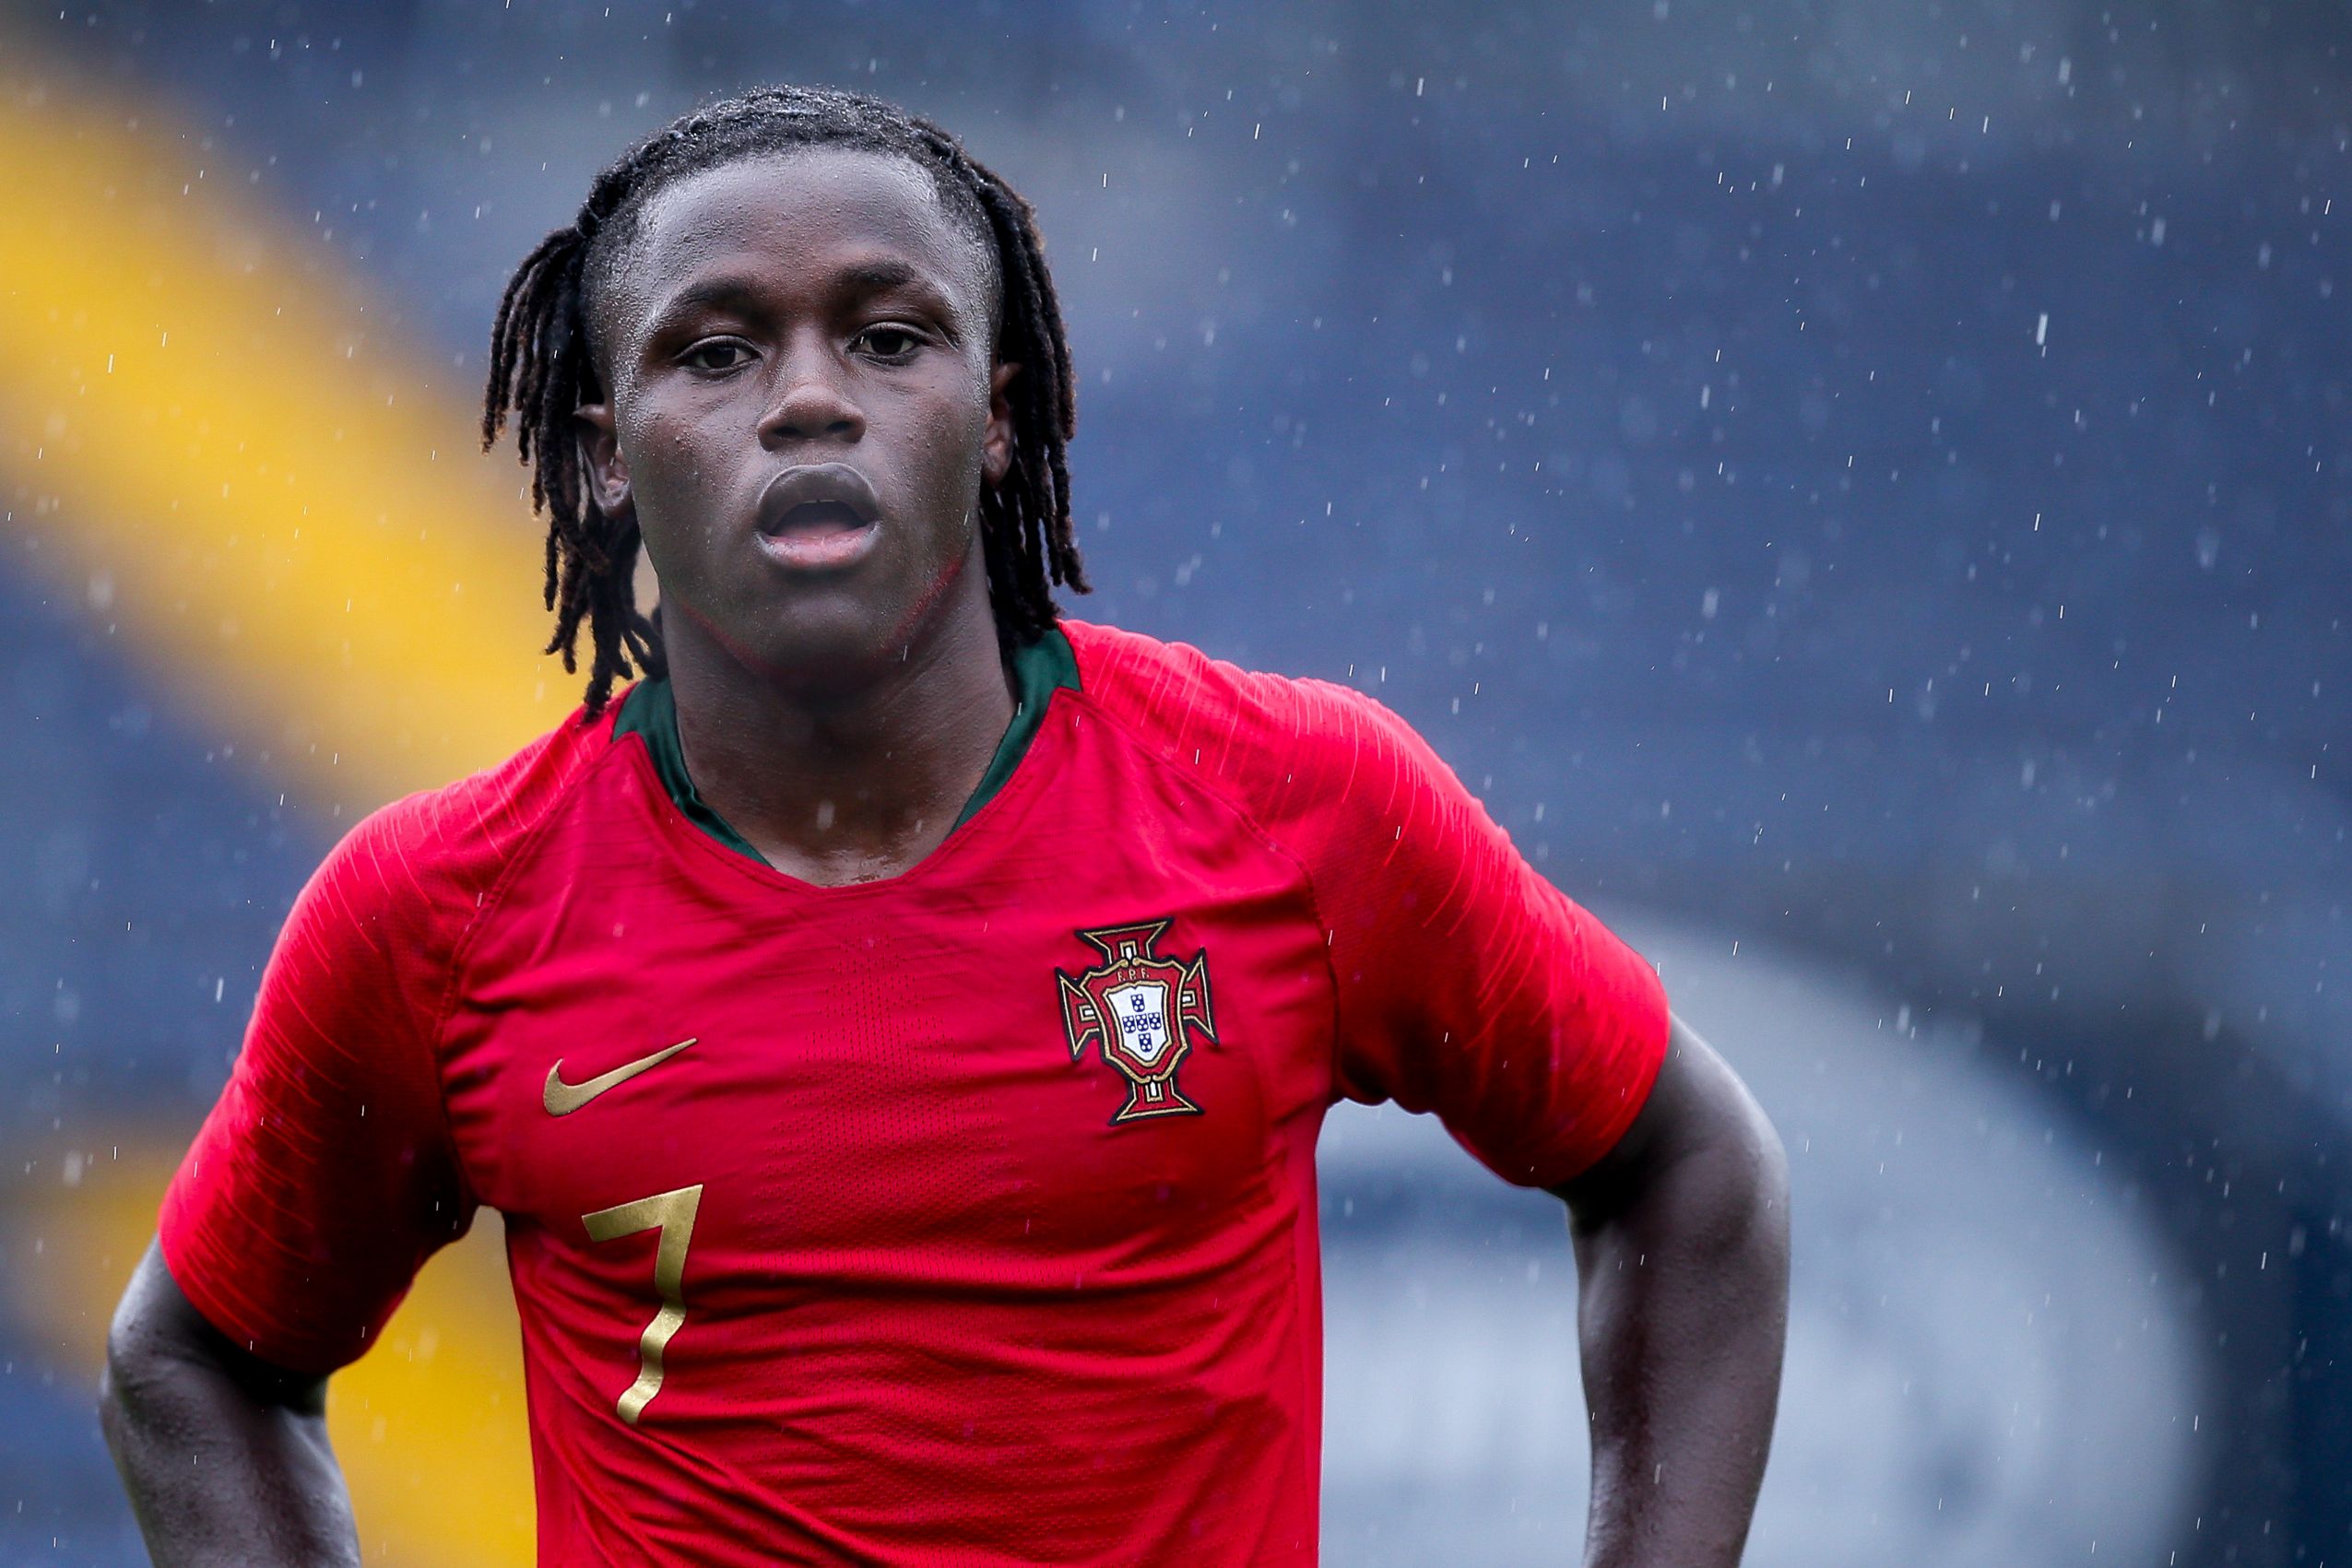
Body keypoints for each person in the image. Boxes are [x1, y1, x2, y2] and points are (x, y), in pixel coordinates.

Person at [99, 84, 1790, 1566]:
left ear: (996, 412)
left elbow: (1686, 1172)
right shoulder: (438, 913)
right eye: (717, 348)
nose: (809, 398)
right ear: (607, 456)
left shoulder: (1297, 807)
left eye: (888, 335)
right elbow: (196, 1358)